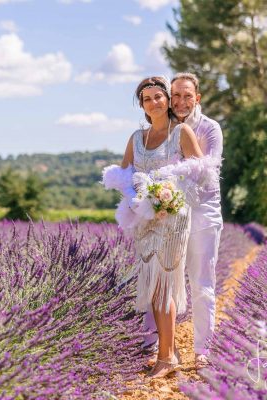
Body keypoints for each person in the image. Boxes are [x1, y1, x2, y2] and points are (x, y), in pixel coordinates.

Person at [121, 76, 203, 379]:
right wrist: (135, 199)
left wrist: (171, 192)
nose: (153, 102)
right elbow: (123, 175)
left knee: (164, 283)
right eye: (147, 98)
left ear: (167, 100)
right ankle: (166, 353)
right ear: (141, 105)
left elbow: (200, 173)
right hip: (144, 220)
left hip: (173, 217)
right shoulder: (136, 138)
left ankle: (167, 356)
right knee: (153, 284)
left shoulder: (182, 132)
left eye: (158, 96)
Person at [142, 73, 223, 370]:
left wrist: (169, 184)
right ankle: (159, 347)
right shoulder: (165, 128)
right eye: (175, 95)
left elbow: (209, 176)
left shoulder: (210, 129)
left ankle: (202, 349)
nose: (180, 101)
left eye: (187, 95)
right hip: (170, 218)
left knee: (201, 284)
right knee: (162, 281)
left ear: (197, 97)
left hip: (202, 214)